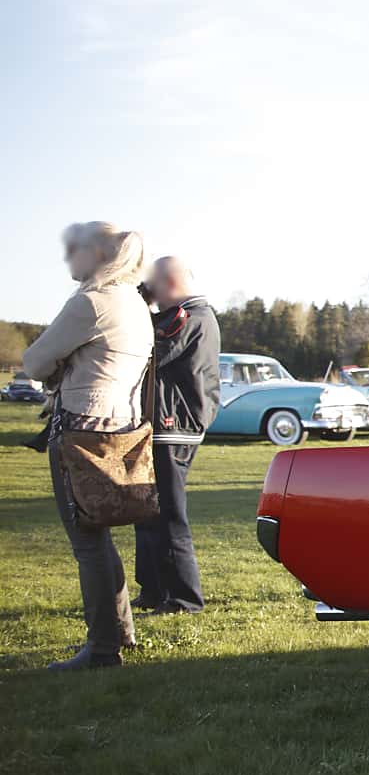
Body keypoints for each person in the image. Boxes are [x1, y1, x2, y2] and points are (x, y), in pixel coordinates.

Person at [23, 223, 154, 670]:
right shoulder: (133, 303)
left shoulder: (90, 303)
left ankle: (102, 649)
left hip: (80, 429)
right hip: (121, 427)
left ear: (97, 255)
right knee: (98, 537)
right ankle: (120, 634)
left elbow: (35, 361)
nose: (67, 259)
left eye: (74, 250)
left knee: (87, 542)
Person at [133, 257, 220, 615]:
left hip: (173, 426)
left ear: (168, 283)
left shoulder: (190, 317)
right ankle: (154, 589)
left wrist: (136, 306)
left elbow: (147, 350)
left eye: (153, 285)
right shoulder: (190, 315)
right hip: (169, 424)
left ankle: (184, 598)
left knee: (167, 514)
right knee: (147, 511)